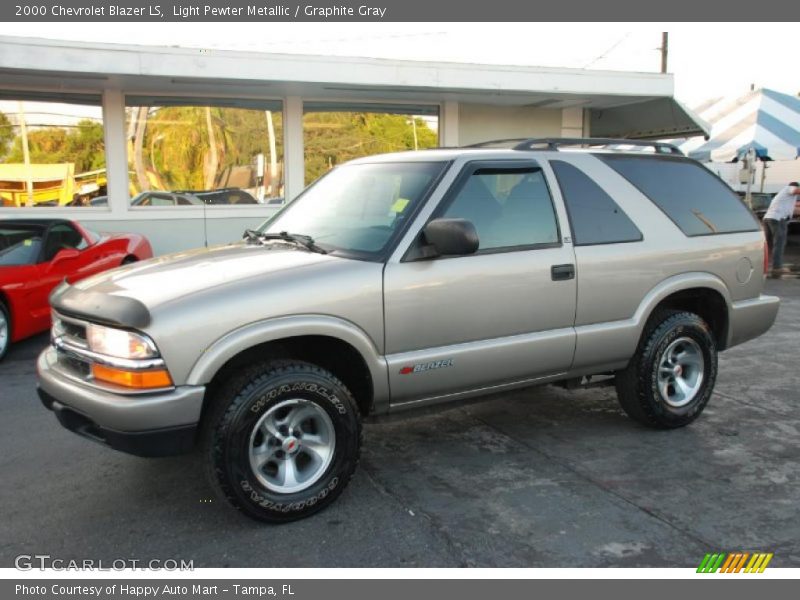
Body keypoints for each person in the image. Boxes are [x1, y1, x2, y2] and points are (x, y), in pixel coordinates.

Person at [763, 181, 800, 276]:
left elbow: (794, 209)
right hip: (777, 219)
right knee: (779, 243)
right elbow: (795, 190)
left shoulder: (784, 197)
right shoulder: (789, 188)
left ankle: (764, 266)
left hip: (768, 218)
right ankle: (777, 267)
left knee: (769, 244)